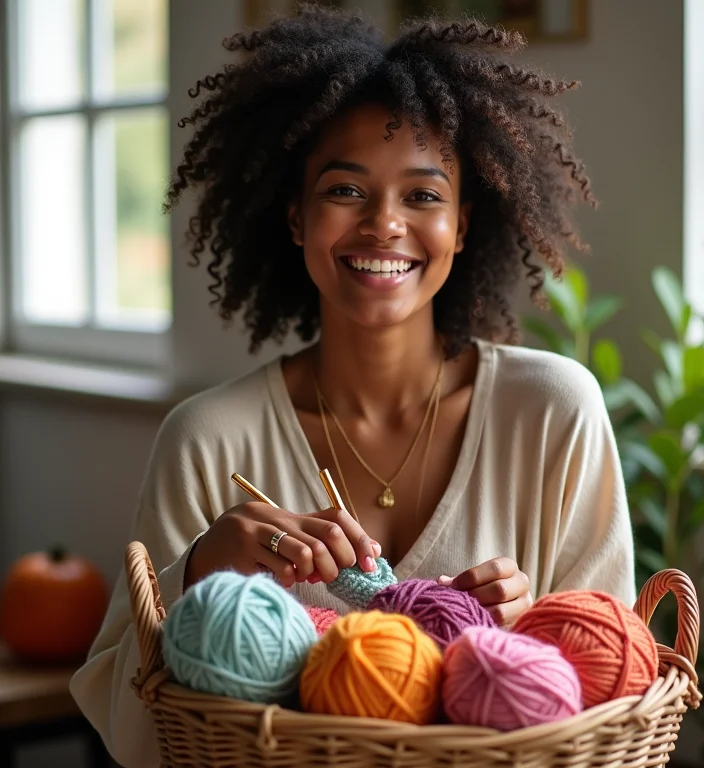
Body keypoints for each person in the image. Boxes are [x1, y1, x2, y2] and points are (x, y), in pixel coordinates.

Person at [70, 5, 635, 766]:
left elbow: (620, 694)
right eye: (345, 191)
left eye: (423, 196)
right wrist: (198, 570)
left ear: (463, 226)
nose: (384, 225)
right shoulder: (206, 438)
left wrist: (535, 633)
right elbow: (123, 714)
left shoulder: (553, 412)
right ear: (297, 216)